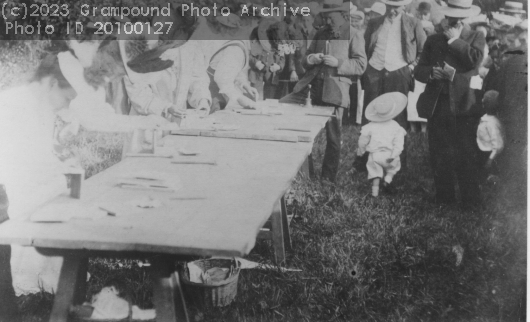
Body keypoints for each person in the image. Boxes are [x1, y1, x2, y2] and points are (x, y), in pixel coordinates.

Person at [280, 0, 367, 183]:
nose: (327, 22)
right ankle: (305, 173)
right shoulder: (320, 32)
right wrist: (311, 58)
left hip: (335, 91)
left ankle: (327, 179)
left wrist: (339, 64)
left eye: (331, 18)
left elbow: (360, 65)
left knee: (333, 137)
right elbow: (305, 59)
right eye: (325, 17)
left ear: (342, 15)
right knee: (287, 109)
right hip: (311, 87)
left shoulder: (354, 34)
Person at [414, 0, 485, 207]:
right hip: (439, 103)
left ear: (466, 18)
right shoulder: (434, 39)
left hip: (464, 104)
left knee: (465, 152)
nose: (454, 23)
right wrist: (430, 73)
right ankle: (444, 198)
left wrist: (455, 41)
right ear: (446, 17)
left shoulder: (475, 37)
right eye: (451, 18)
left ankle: (470, 201)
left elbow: (475, 60)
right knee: (439, 153)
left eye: (459, 20)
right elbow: (419, 69)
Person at [361, 0, 426, 171]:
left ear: (403, 6)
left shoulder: (414, 23)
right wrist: (368, 69)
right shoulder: (375, 23)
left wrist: (410, 67)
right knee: (370, 116)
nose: (392, 11)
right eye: (389, 7)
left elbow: (423, 50)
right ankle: (364, 161)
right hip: (375, 72)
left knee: (397, 119)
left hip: (399, 74)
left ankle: (396, 163)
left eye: (396, 7)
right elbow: (364, 47)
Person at [357, 92, 408, 196]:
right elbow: (399, 144)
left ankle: (374, 193)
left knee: (375, 174)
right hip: (390, 155)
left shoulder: (370, 126)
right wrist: (394, 155)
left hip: (375, 155)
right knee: (393, 168)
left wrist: (361, 152)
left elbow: (362, 141)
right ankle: (387, 180)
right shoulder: (396, 126)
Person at [476, 90, 504, 183]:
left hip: (489, 155)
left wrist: (490, 159)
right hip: (482, 152)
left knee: (489, 176)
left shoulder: (492, 123)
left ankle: (491, 190)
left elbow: (498, 145)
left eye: (485, 100)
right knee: (481, 175)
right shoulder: (485, 118)